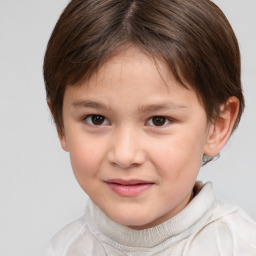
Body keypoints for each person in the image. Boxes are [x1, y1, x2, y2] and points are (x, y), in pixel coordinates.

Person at [42, 0, 256, 255]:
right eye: (96, 119)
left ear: (217, 126)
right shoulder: (61, 250)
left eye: (158, 120)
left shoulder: (241, 246)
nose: (124, 155)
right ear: (62, 126)